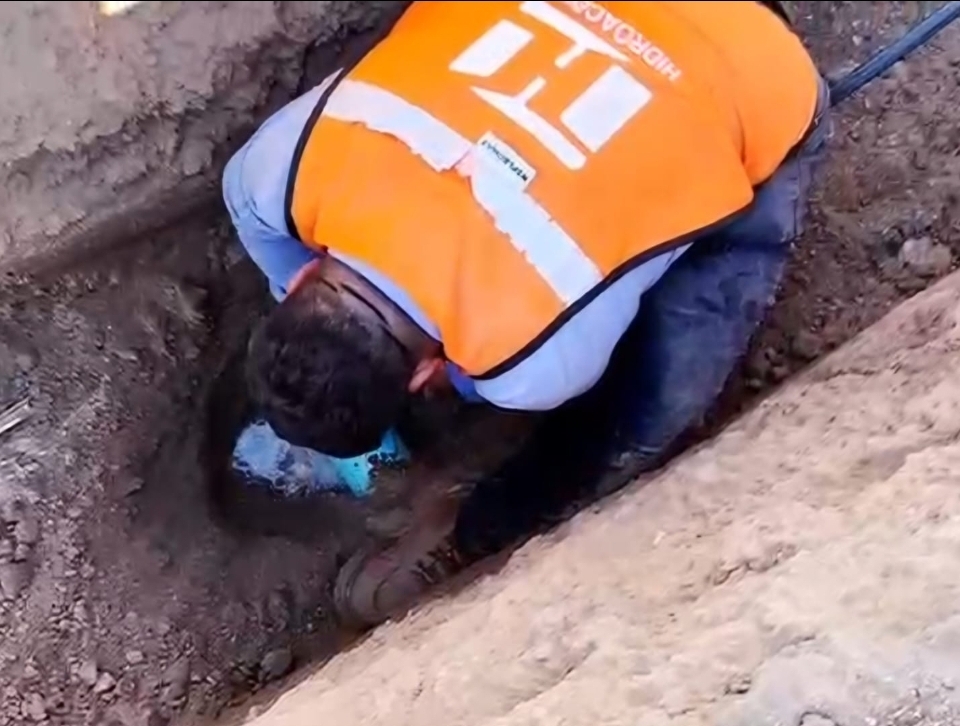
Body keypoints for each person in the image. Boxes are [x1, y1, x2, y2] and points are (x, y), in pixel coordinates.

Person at [222, 0, 831, 627]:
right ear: (300, 281)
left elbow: (490, 376)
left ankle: (482, 528)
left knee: (644, 404)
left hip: (757, 70)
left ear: (418, 379)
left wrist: (463, 376)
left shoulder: (533, 364)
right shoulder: (269, 177)